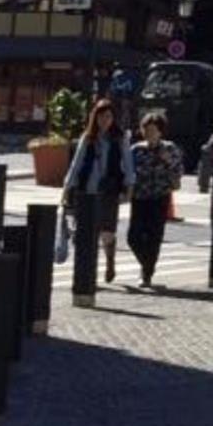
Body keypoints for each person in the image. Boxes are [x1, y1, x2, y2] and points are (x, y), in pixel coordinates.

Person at [63, 97, 128, 284]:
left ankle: (110, 262)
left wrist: (129, 187)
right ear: (95, 118)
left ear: (113, 118)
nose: (105, 121)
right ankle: (88, 273)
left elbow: (128, 164)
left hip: (109, 191)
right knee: (83, 234)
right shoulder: (87, 138)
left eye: (108, 117)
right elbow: (75, 164)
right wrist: (67, 188)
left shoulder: (119, 138)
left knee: (107, 233)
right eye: (101, 117)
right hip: (86, 191)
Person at [124, 112, 185, 287]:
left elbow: (179, 172)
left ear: (160, 131)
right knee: (133, 237)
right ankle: (147, 264)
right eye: (146, 129)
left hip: (160, 197)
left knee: (154, 236)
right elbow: (127, 171)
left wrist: (168, 162)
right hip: (140, 197)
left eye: (152, 130)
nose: (149, 133)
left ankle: (147, 274)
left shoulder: (170, 148)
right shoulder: (136, 149)